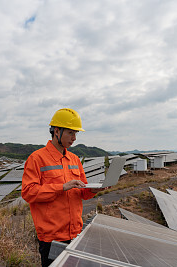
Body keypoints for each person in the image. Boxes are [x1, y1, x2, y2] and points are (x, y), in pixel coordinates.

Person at [22, 108, 105, 267]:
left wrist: (94, 190)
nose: (74, 138)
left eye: (76, 134)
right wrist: (61, 187)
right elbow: (28, 193)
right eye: (70, 133)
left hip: (75, 232)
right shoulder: (37, 159)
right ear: (57, 131)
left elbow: (82, 192)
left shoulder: (74, 159)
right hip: (51, 237)